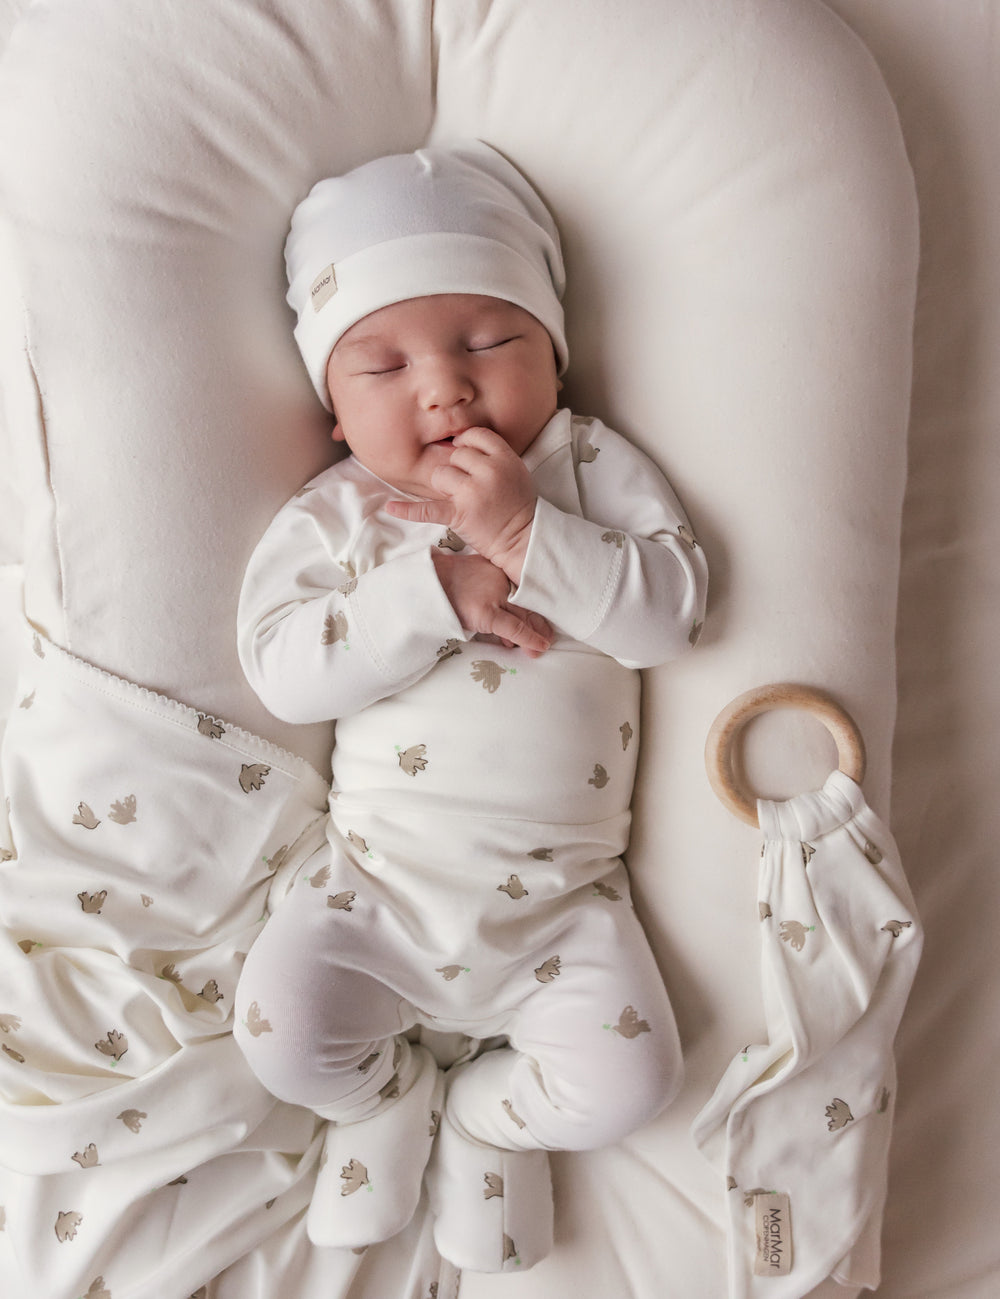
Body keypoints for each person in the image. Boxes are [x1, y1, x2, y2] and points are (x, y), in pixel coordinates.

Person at [233, 141, 708, 1272]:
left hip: (564, 904)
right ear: (336, 417)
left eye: (488, 341)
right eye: (383, 367)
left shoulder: (590, 469)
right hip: (373, 883)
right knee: (281, 1037)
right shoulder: (340, 512)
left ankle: (494, 1120)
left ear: (553, 355)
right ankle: (386, 1102)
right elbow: (281, 667)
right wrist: (429, 593)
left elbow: (672, 615)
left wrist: (522, 534)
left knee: (634, 1082)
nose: (444, 385)